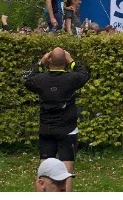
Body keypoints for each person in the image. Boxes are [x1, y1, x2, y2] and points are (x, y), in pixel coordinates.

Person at [23, 47, 89, 192]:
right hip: (68, 129)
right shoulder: (71, 79)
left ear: (49, 60)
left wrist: (41, 62)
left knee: (44, 169)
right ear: (65, 61)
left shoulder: (40, 80)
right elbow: (84, 74)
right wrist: (71, 61)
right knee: (67, 170)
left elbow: (27, 79)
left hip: (46, 128)